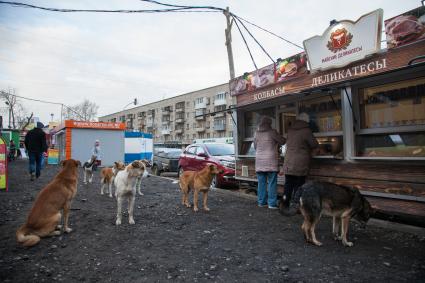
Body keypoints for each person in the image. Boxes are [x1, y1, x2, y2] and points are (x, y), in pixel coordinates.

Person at [280, 112, 319, 216]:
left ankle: (284, 204)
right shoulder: (306, 131)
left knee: (288, 184)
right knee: (299, 186)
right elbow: (314, 144)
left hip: (288, 161)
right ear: (306, 121)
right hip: (300, 163)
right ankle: (296, 207)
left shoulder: (290, 130)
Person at [254, 116, 286, 209]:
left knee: (261, 183)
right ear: (269, 124)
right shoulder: (272, 132)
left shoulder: (256, 133)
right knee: (272, 182)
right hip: (271, 160)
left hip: (259, 161)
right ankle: (272, 203)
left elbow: (255, 146)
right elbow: (283, 141)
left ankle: (261, 202)